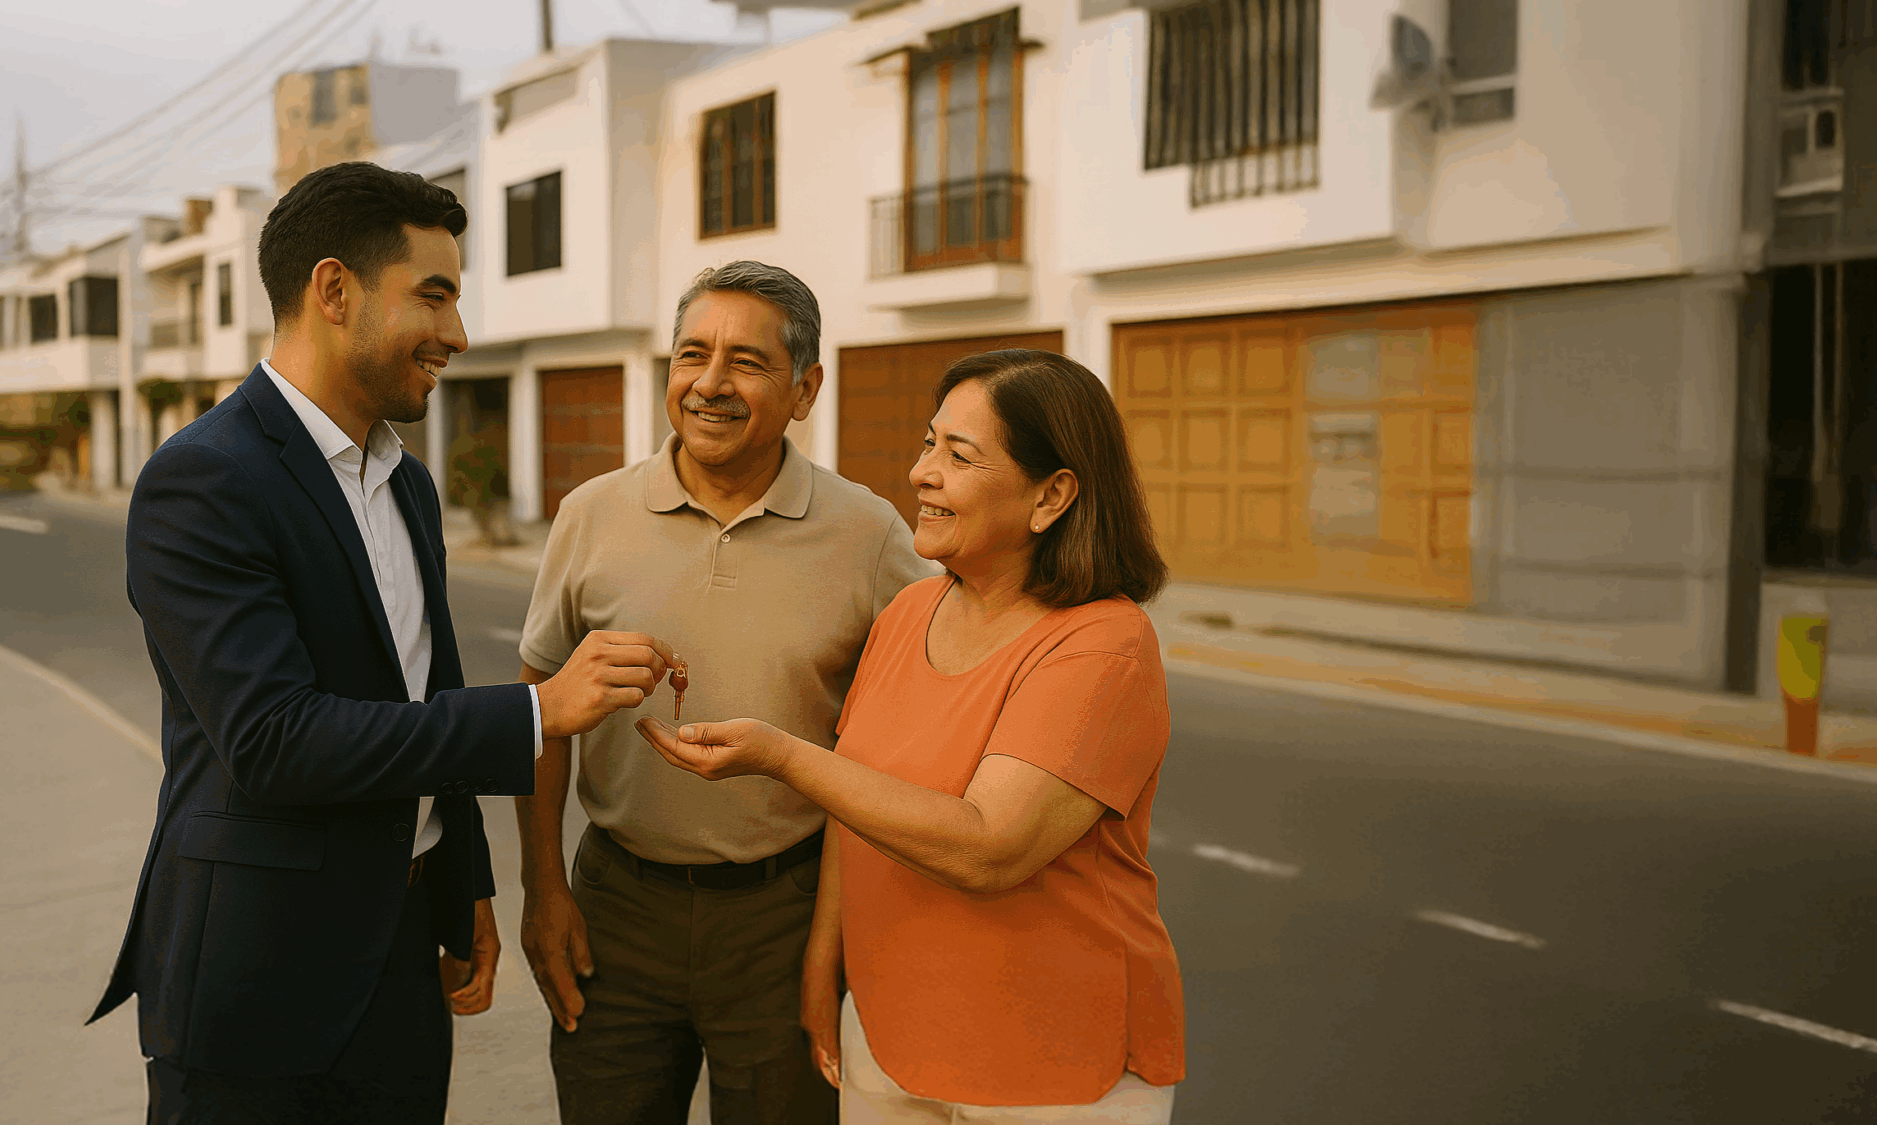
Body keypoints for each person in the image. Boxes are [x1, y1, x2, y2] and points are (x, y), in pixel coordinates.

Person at [90, 161, 682, 1125]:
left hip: (401, 964)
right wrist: (536, 711)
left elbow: (424, 687)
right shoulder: (203, 479)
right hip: (256, 981)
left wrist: (462, 883)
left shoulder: (406, 482)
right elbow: (274, 741)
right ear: (335, 291)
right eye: (434, 296)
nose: (458, 332)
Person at [636, 348, 1183, 1123]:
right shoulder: (907, 613)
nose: (922, 473)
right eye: (930, 444)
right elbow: (854, 799)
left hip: (1054, 1065)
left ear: (1052, 495)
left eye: (959, 456)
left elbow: (989, 848)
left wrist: (781, 755)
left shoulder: (1102, 644)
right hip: (889, 1032)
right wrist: (825, 958)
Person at [516, 261, 934, 1125]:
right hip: (615, 911)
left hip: (783, 917)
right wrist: (543, 888)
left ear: (805, 389)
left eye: (746, 362)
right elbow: (540, 710)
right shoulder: (590, 514)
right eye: (691, 354)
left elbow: (909, 734)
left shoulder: (869, 535)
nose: (710, 383)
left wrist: (833, 940)